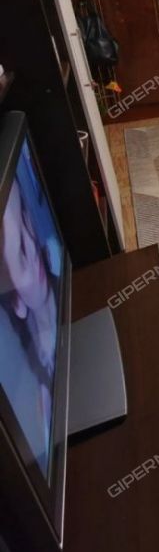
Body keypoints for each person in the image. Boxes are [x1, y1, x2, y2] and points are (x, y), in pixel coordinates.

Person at [0, 178, 58, 472]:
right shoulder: (41, 397)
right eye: (22, 252)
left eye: (25, 220)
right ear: (16, 303)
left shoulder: (59, 265)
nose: (34, 249)